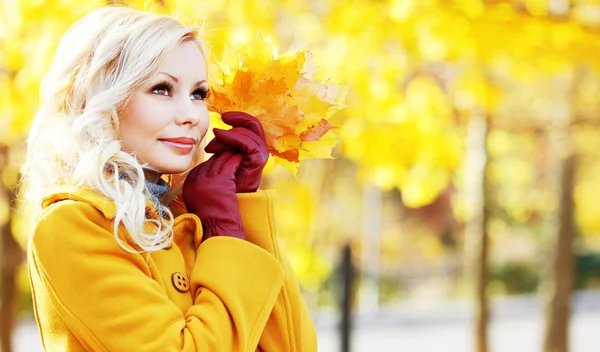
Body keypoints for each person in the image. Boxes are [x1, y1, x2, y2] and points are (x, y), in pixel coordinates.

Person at [21, 6, 317, 351]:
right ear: (100, 97)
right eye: (162, 89)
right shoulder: (74, 225)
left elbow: (294, 345)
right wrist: (224, 232)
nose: (192, 115)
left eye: (198, 94)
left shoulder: (187, 217)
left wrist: (240, 208)